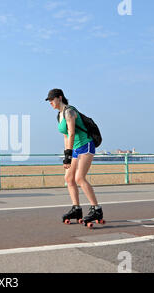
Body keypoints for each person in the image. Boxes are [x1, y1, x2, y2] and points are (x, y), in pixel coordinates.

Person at [46, 88, 104, 225]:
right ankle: (76, 208)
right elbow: (66, 136)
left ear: (59, 98)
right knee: (69, 178)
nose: (50, 103)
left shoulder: (69, 111)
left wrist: (68, 155)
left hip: (86, 145)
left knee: (79, 177)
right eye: (48, 101)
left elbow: (72, 133)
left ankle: (96, 209)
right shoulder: (59, 115)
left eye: (51, 100)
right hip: (75, 149)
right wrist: (68, 154)